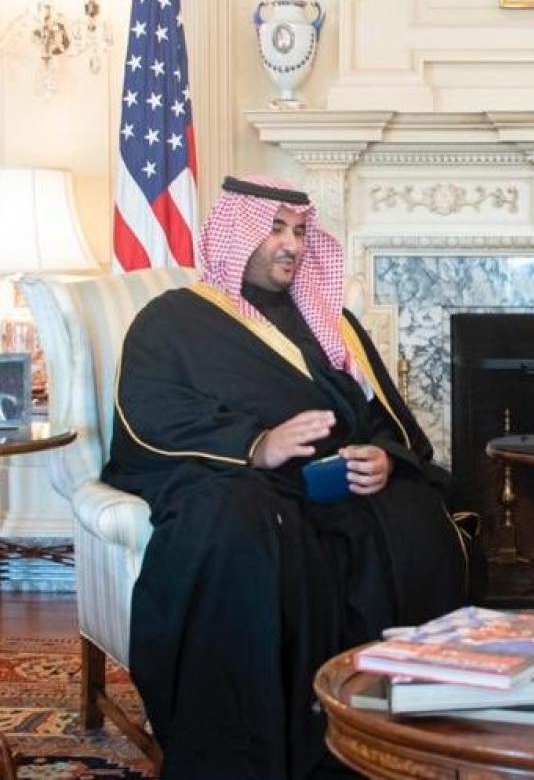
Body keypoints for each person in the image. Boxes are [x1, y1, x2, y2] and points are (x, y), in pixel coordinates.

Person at [104, 175, 483, 779]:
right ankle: (264, 755)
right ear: (236, 234)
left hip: (340, 483)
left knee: (416, 513)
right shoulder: (173, 320)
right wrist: (257, 446)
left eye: (301, 232)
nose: (293, 245)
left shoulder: (334, 322)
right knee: (239, 529)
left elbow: (386, 419)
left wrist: (383, 457)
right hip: (246, 483)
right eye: (275, 229)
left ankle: (399, 733)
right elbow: (151, 413)